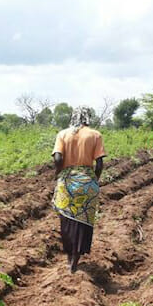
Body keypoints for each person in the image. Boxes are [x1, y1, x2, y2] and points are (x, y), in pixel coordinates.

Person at [51, 107, 105, 274]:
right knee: (83, 221)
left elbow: (58, 158)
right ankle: (76, 258)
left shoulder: (63, 134)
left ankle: (69, 257)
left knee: (66, 219)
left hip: (67, 182)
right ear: (87, 118)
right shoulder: (95, 135)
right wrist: (94, 179)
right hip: (87, 182)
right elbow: (99, 164)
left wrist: (58, 173)